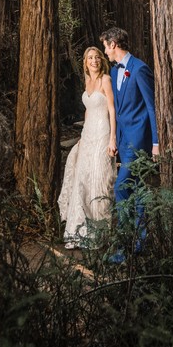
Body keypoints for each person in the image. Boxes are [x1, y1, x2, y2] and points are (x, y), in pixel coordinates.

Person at [100, 26, 158, 257]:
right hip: (124, 140)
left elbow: (152, 108)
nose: (105, 51)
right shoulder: (115, 72)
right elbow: (118, 108)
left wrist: (156, 141)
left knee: (121, 188)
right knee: (139, 189)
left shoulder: (140, 69)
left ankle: (124, 246)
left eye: (105, 46)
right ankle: (140, 245)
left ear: (113, 44)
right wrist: (114, 138)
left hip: (140, 140)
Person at [58, 46, 117, 249]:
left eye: (97, 57)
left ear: (101, 60)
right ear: (85, 62)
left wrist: (112, 138)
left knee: (98, 179)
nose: (94, 61)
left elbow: (112, 110)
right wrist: (82, 135)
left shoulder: (105, 80)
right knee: (81, 179)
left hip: (103, 134)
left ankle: (98, 235)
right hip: (88, 134)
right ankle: (77, 232)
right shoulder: (87, 81)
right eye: (90, 58)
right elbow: (88, 110)